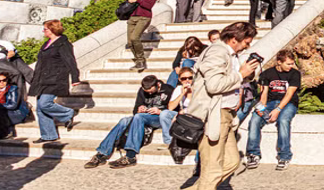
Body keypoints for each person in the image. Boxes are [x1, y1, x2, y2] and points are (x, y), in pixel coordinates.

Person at [185, 22, 260, 190]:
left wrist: (246, 74)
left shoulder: (229, 54)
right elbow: (214, 85)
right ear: (235, 39)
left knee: (232, 161)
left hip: (225, 115)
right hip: (214, 115)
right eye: (246, 42)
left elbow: (229, 79)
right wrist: (241, 74)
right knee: (213, 169)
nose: (247, 46)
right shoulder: (217, 52)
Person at [84, 75, 177, 168]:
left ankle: (130, 156)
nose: (149, 94)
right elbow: (135, 110)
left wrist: (160, 111)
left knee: (138, 117)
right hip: (144, 116)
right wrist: (139, 109)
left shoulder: (168, 90)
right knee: (124, 120)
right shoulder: (142, 91)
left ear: (158, 85)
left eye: (151, 92)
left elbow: (175, 110)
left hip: (161, 118)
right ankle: (101, 154)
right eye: (146, 92)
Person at [246, 50, 301, 171]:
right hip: (270, 102)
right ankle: (253, 154)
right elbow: (264, 93)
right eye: (288, 64)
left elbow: (289, 94)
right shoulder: (267, 74)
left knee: (283, 120)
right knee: (254, 120)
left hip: (288, 103)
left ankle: (284, 156)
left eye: (292, 63)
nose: (291, 66)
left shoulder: (295, 74)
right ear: (279, 62)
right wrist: (261, 108)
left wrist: (278, 110)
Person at [29, 19, 80, 143]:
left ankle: (68, 113)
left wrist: (75, 77)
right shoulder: (47, 44)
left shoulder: (63, 43)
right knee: (40, 109)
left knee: (44, 104)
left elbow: (70, 61)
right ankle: (48, 135)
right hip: (43, 79)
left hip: (55, 78)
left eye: (45, 29)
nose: (43, 31)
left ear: (52, 29)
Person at [126, 0, 158, 71]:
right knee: (130, 42)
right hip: (132, 17)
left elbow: (149, 5)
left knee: (134, 37)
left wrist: (138, 0)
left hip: (144, 17)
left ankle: (140, 60)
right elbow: (132, 5)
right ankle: (139, 61)